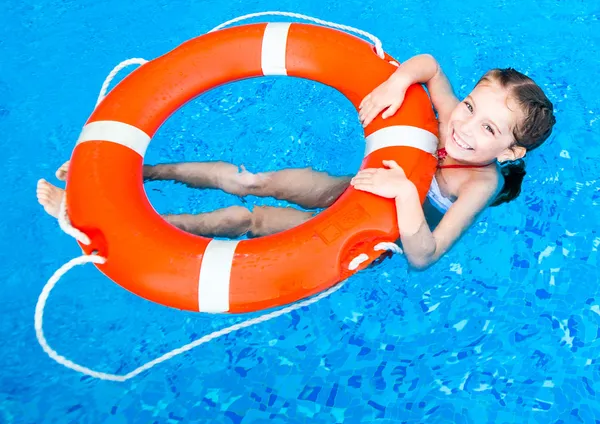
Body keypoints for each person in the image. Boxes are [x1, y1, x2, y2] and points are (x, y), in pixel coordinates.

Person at [37, 54, 555, 270]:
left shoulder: (479, 185)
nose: (463, 126)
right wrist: (399, 81)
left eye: (487, 128)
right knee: (253, 180)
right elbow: (429, 65)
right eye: (468, 105)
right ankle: (136, 172)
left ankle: (101, 226)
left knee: (249, 219)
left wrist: (404, 198)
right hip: (354, 186)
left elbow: (425, 255)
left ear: (510, 152)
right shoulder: (451, 118)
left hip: (372, 237)